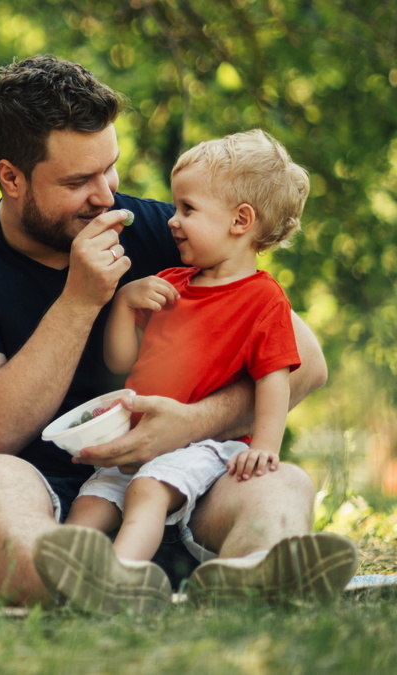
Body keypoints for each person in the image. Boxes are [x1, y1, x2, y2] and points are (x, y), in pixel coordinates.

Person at [0, 55, 356, 613]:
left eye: (109, 168)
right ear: (10, 177)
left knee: (282, 482)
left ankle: (248, 577)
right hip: (38, 501)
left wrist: (192, 423)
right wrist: (81, 299)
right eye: (78, 181)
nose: (106, 195)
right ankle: (81, 580)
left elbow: (306, 361)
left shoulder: (167, 232)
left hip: (169, 491)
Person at [40, 129, 333, 613]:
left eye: (188, 210)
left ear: (241, 221)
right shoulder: (171, 284)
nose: (173, 221)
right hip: (136, 437)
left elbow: (275, 377)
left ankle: (121, 579)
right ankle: (59, 579)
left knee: (148, 493)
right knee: (94, 501)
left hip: (202, 448)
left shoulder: (263, 299)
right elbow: (121, 363)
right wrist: (123, 306)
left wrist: (264, 446)